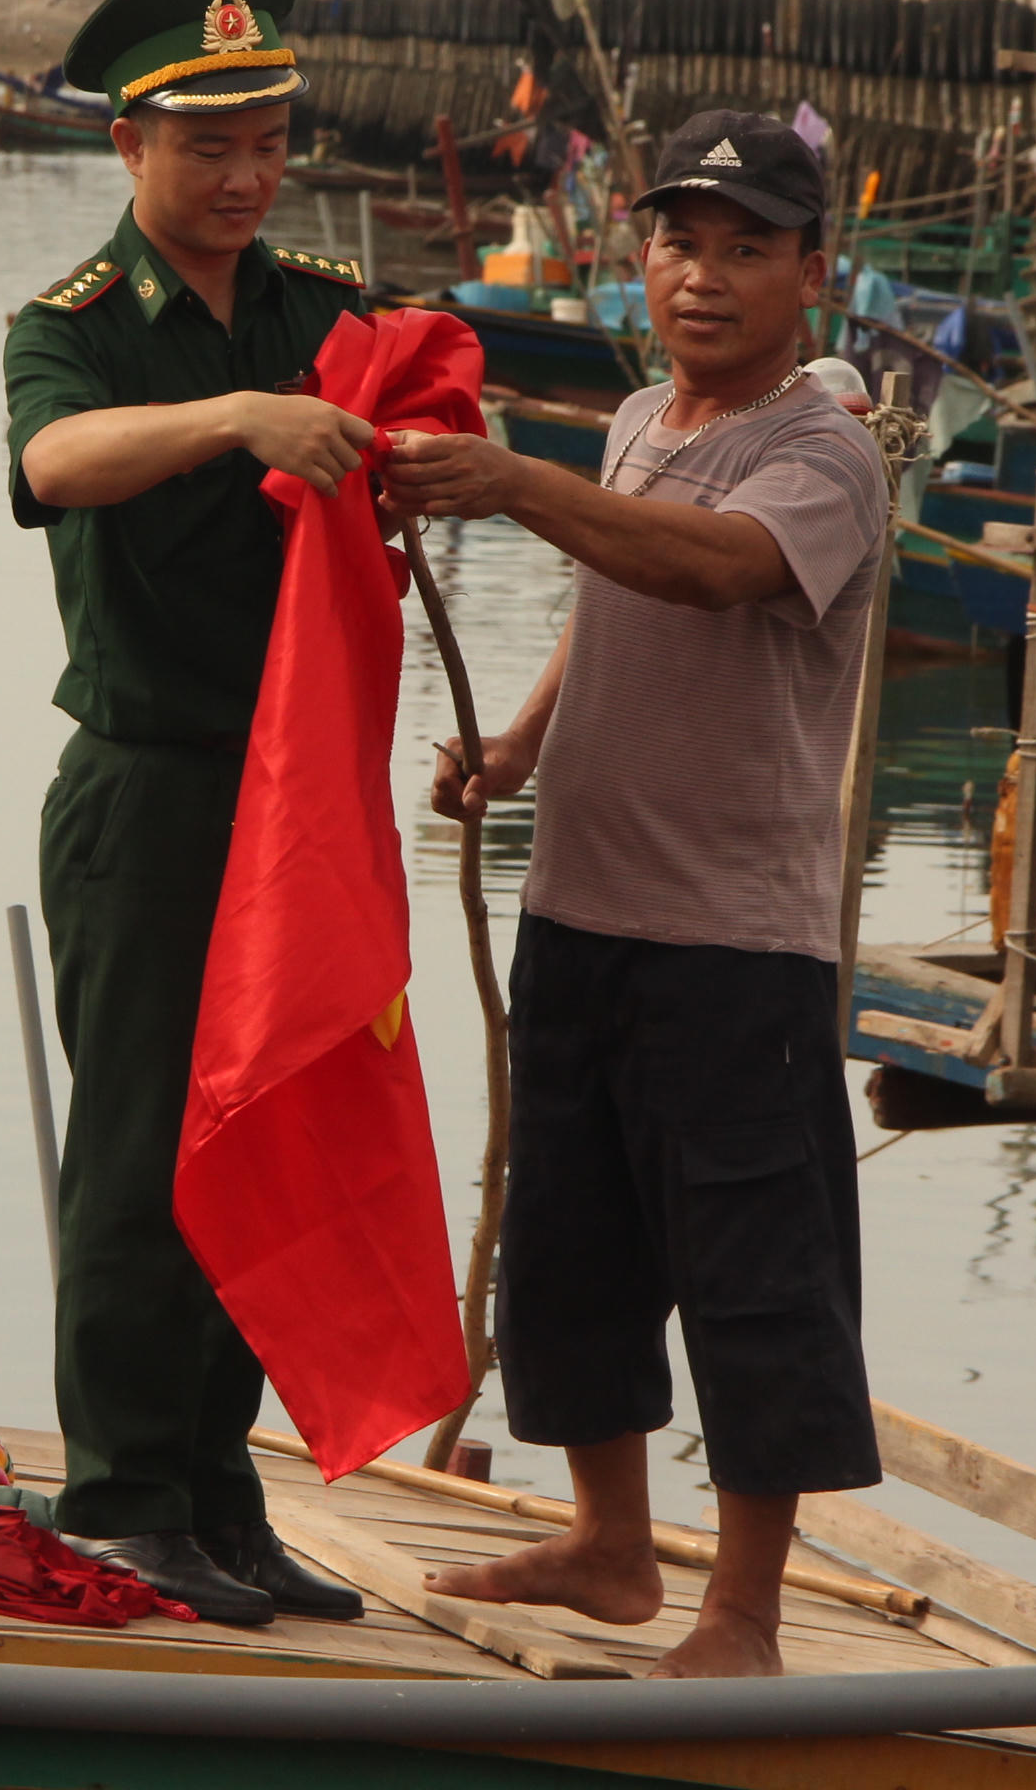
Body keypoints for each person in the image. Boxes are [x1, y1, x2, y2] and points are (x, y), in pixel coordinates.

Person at [378, 108, 889, 1678]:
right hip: (581, 906)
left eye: (747, 249)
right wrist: (518, 747)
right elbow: (613, 593)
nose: (705, 276)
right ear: (641, 254)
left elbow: (711, 566)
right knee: (571, 1249)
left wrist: (516, 484)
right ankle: (609, 1546)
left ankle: (743, 1614)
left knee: (754, 1274)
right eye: (681, 243)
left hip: (735, 942)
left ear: (812, 271)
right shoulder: (638, 422)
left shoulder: (824, 452)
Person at [0, 0, 374, 1628]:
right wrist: (234, 419)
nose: (243, 177)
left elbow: (414, 418)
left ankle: (223, 1495)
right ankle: (121, 1496)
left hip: (299, 800)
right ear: (128, 146)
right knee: (145, 1151)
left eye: (268, 143)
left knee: (275, 1142)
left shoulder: (319, 306)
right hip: (148, 796)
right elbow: (55, 459)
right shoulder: (75, 325)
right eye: (208, 146)